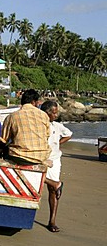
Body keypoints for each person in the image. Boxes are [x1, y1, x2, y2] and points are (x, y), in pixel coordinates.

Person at [0, 89, 51, 165]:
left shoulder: (12, 116)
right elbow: (47, 136)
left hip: (20, 156)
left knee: (4, 149)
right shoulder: (44, 115)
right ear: (34, 102)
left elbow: (3, 140)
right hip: (42, 156)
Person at [41, 100, 72, 233]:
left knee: (53, 191)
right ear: (46, 113)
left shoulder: (57, 126)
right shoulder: (39, 125)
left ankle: (52, 220)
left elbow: (69, 134)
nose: (56, 114)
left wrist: (57, 144)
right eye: (54, 112)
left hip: (54, 160)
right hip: (40, 159)